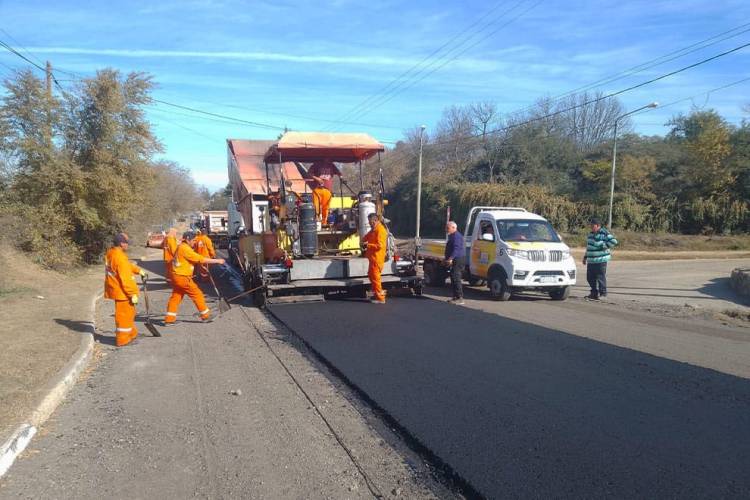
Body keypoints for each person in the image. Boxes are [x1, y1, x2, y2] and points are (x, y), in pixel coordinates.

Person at [165, 231, 225, 325]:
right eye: (193, 240)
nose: (194, 242)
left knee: (176, 297)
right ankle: (205, 316)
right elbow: (199, 258)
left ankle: (169, 319)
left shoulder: (182, 247)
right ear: (188, 239)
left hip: (176, 276)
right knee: (197, 294)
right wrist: (217, 261)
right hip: (182, 277)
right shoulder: (185, 249)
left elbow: (192, 260)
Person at [104, 233, 146, 347]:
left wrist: (138, 270)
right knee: (124, 315)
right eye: (127, 243)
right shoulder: (120, 257)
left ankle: (132, 334)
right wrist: (133, 294)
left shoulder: (112, 253)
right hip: (122, 292)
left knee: (129, 313)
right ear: (122, 243)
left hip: (116, 288)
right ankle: (123, 340)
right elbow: (126, 278)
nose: (128, 245)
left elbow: (126, 266)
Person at [583, 217, 618, 301]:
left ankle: (603, 293)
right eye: (590, 225)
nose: (591, 226)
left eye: (592, 225)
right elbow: (589, 247)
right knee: (590, 277)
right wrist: (585, 257)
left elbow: (614, 241)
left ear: (598, 225)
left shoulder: (604, 233)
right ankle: (594, 293)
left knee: (600, 277)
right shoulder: (590, 234)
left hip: (601, 260)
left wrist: (603, 245)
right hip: (591, 260)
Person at [305, 159, 342, 225]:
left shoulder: (331, 165)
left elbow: (339, 173)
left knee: (326, 207)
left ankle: (324, 223)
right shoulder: (315, 165)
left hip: (327, 190)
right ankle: (317, 222)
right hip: (317, 189)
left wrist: (341, 176)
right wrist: (317, 178)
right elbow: (309, 174)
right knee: (316, 207)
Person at [362, 212, 387, 304]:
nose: (369, 224)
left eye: (370, 222)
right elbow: (367, 237)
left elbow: (380, 246)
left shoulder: (380, 230)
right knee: (371, 275)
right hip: (373, 258)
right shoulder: (374, 229)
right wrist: (363, 240)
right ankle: (376, 294)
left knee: (376, 279)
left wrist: (368, 245)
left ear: (375, 221)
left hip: (377, 259)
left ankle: (380, 298)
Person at [444, 221, 465, 305]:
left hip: (458, 259)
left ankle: (460, 298)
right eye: (446, 228)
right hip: (455, 259)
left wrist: (451, 258)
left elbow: (456, 249)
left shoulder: (456, 236)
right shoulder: (452, 236)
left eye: (447, 228)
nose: (446, 229)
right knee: (453, 277)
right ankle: (455, 297)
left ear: (453, 228)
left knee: (456, 277)